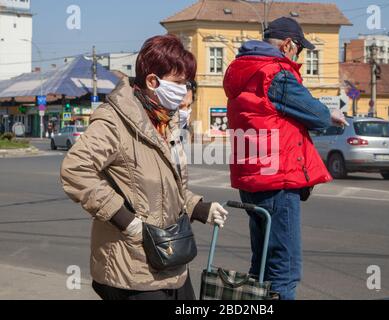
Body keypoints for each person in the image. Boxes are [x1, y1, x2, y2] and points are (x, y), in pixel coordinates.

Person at [60, 35, 228, 300]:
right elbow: (75, 170)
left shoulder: (165, 122)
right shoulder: (114, 121)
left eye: (187, 83)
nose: (184, 91)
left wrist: (198, 207)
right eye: (179, 83)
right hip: (131, 269)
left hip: (170, 258)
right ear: (152, 81)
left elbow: (165, 186)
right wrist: (127, 222)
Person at [223, 17, 347, 300]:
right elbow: (315, 114)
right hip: (278, 179)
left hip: (251, 178)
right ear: (289, 45)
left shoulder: (241, 71)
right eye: (299, 51)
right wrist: (329, 115)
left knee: (261, 263)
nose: (297, 57)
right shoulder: (276, 74)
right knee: (284, 269)